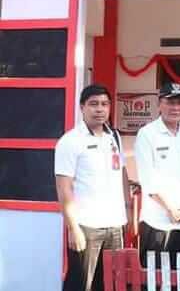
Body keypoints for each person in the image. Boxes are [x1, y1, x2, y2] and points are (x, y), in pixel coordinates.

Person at [55, 84, 129, 291]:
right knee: (80, 284)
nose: (100, 109)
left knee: (109, 283)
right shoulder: (70, 141)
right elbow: (64, 187)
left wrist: (128, 209)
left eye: (104, 104)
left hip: (115, 224)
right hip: (87, 225)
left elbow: (121, 173)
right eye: (93, 104)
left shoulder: (114, 137)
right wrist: (73, 228)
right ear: (82, 107)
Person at [134, 82, 180, 267]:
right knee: (155, 277)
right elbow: (148, 179)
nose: (175, 108)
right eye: (170, 103)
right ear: (159, 104)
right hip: (158, 221)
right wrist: (169, 208)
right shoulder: (147, 134)